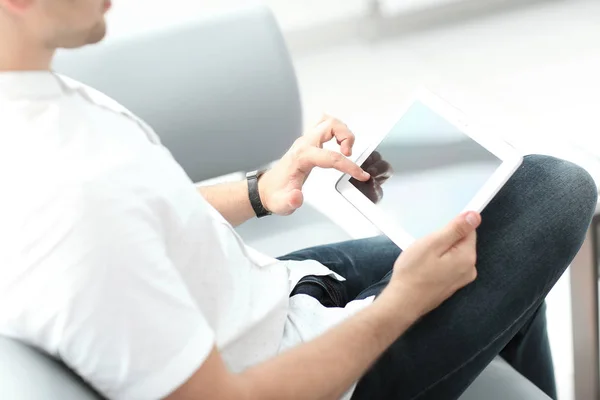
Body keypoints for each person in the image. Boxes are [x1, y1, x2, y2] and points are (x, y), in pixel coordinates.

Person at [0, 1, 596, 399]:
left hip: (278, 292)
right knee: (553, 193)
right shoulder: (64, 194)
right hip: (313, 374)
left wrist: (260, 192)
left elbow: (143, 219)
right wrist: (403, 304)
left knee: (480, 226)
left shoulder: (32, 97)